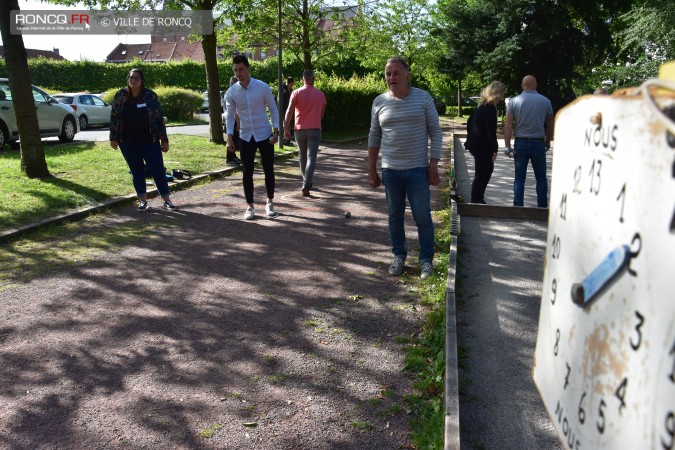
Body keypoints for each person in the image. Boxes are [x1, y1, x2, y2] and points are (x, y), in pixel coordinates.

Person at [368, 57, 443, 280]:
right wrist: (372, 168)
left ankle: (426, 260)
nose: (392, 78)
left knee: (422, 216)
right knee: (394, 216)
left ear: (408, 75)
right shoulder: (379, 102)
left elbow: (436, 131)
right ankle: (398, 256)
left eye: (396, 73)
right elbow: (374, 135)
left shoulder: (423, 97)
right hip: (391, 170)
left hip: (418, 169)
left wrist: (433, 164)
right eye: (388, 73)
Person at [109, 68, 176, 211]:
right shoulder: (121, 96)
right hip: (127, 142)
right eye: (131, 78)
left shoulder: (150, 96)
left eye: (136, 78)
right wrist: (113, 138)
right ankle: (142, 201)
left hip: (149, 141)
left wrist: (164, 140)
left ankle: (167, 200)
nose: (133, 80)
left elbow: (159, 118)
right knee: (136, 171)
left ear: (142, 80)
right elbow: (114, 117)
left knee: (157, 169)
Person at [224, 55, 280, 220]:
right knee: (246, 172)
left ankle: (269, 203)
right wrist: (229, 137)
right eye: (235, 70)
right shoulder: (232, 91)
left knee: (268, 169)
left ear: (248, 68)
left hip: (264, 133)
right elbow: (229, 115)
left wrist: (277, 131)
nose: (238, 73)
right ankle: (250, 206)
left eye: (241, 69)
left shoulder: (262, 87)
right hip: (246, 135)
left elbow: (273, 108)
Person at [503, 75, 553, 208]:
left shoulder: (514, 101)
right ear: (536, 85)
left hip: (521, 143)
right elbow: (550, 122)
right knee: (541, 177)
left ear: (522, 85)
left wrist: (507, 146)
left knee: (519, 178)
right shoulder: (545, 101)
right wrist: (548, 141)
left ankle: (518, 207)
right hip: (538, 142)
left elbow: (508, 125)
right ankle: (542, 207)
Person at [284, 70, 327, 196]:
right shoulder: (321, 94)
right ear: (313, 79)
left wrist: (286, 128)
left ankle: (305, 181)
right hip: (315, 129)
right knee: (311, 157)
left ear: (303, 79)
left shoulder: (296, 93)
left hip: (299, 129)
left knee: (302, 156)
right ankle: (307, 182)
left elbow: (289, 111)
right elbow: (321, 115)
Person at [465, 81, 505, 204]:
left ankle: (478, 196)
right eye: (502, 94)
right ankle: (476, 198)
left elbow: (469, 123)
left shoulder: (480, 107)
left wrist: (469, 138)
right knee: (483, 172)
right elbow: (490, 132)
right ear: (497, 94)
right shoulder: (491, 109)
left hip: (475, 144)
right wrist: (495, 149)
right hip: (483, 146)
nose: (502, 97)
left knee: (485, 171)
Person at [225, 75, 243, 166]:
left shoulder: (231, 92)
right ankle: (230, 158)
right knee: (232, 138)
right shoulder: (231, 93)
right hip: (232, 119)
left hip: (233, 119)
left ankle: (233, 155)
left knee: (235, 138)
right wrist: (238, 122)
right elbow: (234, 110)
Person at [281, 77, 295, 145]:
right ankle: (285, 140)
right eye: (293, 82)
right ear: (291, 82)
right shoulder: (283, 87)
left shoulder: (291, 90)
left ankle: (287, 140)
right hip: (283, 109)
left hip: (288, 109)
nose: (293, 84)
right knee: (286, 124)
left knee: (288, 125)